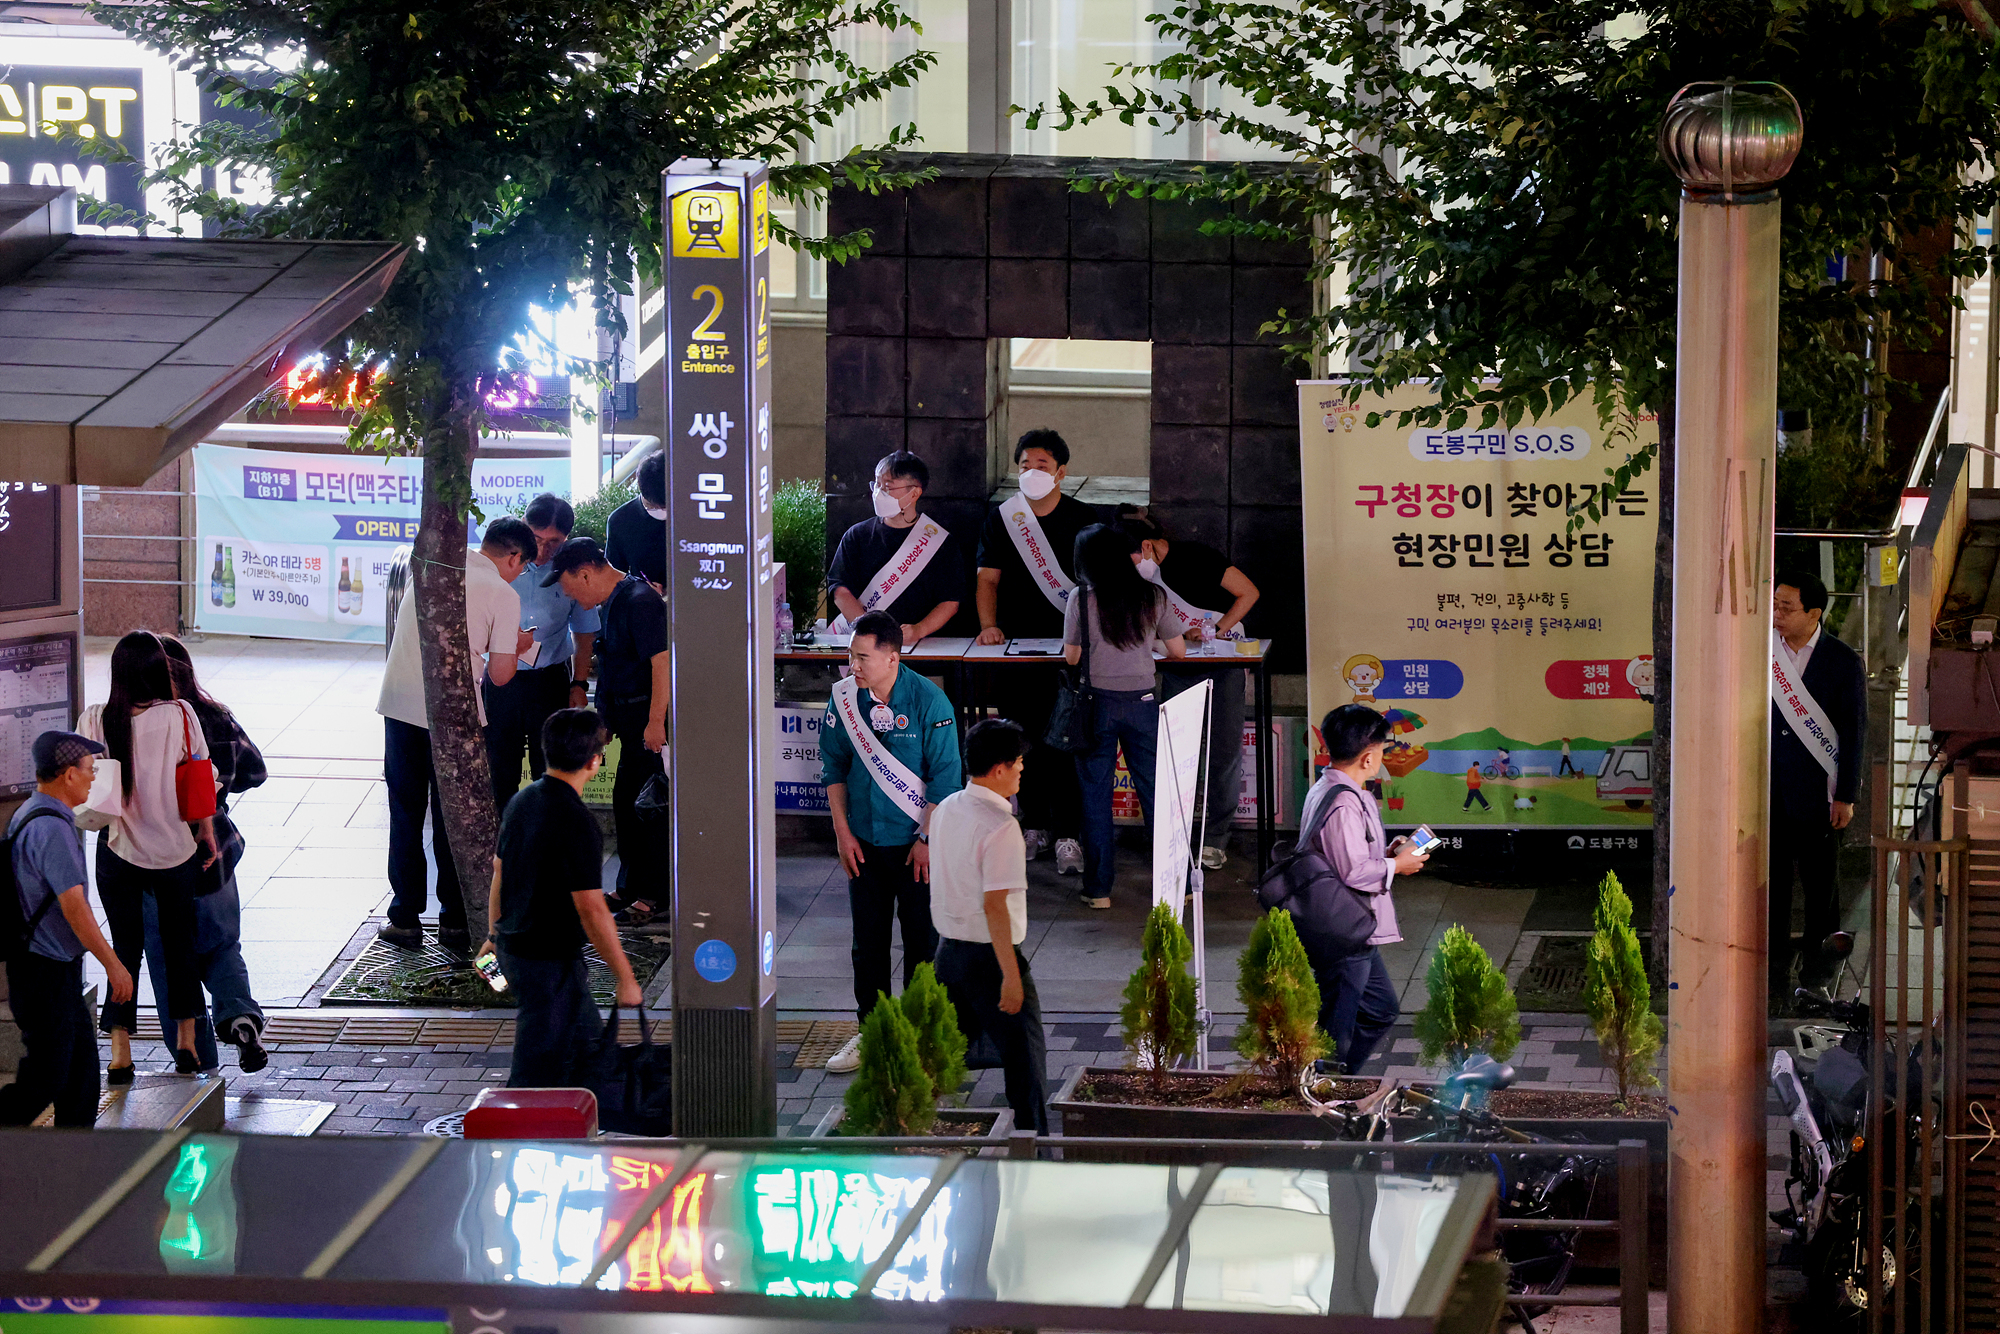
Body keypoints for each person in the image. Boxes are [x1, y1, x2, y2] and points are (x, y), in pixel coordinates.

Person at [375, 517, 534, 953]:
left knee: (405, 814)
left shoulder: (430, 570)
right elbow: (501, 676)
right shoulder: (503, 593)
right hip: (454, 718)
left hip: (399, 706)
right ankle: (455, 920)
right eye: (521, 567)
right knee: (451, 817)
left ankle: (405, 918)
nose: (518, 575)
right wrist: (515, 647)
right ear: (514, 556)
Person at [819, 609, 964, 1072]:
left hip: (916, 847)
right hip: (863, 842)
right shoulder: (843, 700)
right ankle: (872, 1032)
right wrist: (842, 833)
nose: (853, 666)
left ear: (892, 658)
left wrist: (924, 837)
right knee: (868, 945)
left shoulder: (928, 701)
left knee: (922, 943)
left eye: (862, 657)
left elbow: (946, 779)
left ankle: (920, 1037)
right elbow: (833, 768)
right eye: (850, 655)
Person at [80, 631, 219, 1075]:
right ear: (160, 672)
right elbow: (202, 777)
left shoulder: (96, 719)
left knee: (124, 950)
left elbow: (87, 785)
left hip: (118, 850)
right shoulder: (181, 714)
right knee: (181, 947)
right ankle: (186, 1045)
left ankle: (121, 1051)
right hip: (176, 851)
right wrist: (208, 834)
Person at [481, 708, 643, 1087]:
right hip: (548, 962)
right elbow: (591, 908)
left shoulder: (523, 801)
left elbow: (499, 874)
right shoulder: (576, 821)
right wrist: (625, 977)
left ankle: (584, 1122)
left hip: (518, 951)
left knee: (587, 1050)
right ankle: (511, 1136)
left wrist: (492, 937)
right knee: (536, 1069)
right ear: (594, 761)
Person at [975, 429, 1098, 874]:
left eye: (1041, 466)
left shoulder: (1085, 520)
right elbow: (987, 579)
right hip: (1017, 652)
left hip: (1073, 655)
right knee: (1021, 740)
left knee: (1067, 742)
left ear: (1061, 472)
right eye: (1024, 465)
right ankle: (1036, 826)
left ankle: (1068, 834)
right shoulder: (1003, 519)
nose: (1031, 473)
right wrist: (989, 626)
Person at [1115, 507, 1260, 869]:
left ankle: (1214, 838)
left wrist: (1217, 629)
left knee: (1223, 754)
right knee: (1175, 754)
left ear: (1147, 546)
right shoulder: (1138, 579)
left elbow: (1248, 593)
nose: (1130, 568)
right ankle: (1176, 835)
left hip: (1224, 664)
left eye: (1132, 558)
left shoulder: (1198, 556)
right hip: (1177, 668)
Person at [0, 732, 133, 1127]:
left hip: (50, 968)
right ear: (68, 775)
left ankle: (74, 1158)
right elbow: (74, 908)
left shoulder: (31, 811)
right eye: (90, 770)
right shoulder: (53, 829)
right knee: (45, 1080)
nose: (94, 778)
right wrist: (113, 964)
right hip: (44, 972)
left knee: (80, 1077)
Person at [930, 719, 1048, 1133]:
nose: (1021, 769)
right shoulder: (1001, 828)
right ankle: (1032, 1147)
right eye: (1017, 763)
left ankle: (911, 1132)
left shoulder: (946, 809)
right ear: (998, 768)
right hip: (989, 959)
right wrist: (1011, 977)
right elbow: (995, 906)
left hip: (947, 955)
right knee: (1025, 1062)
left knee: (939, 1060)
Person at [1296, 705, 1428, 1073]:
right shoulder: (1342, 801)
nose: (1383, 759)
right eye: (1383, 751)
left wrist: (1386, 854)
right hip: (1345, 930)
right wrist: (1397, 865)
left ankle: (1340, 1081)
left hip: (1354, 929)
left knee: (1380, 1010)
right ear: (1368, 757)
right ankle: (1324, 1089)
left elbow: (1345, 857)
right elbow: (1353, 871)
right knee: (1336, 1029)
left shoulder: (1337, 790)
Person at [158, 637, 268, 1074]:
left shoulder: (139, 724)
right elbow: (255, 770)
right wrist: (221, 786)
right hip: (215, 854)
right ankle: (240, 1018)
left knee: (170, 962)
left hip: (159, 857)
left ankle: (197, 1062)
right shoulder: (212, 715)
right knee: (222, 947)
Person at [547, 536, 670, 926]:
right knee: (626, 805)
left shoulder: (640, 601)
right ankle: (629, 885)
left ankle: (653, 895)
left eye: (567, 586)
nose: (567, 595)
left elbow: (661, 665)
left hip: (646, 722)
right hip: (624, 717)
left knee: (648, 808)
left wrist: (655, 721)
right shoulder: (616, 600)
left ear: (584, 574)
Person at [1063, 524, 1186, 910]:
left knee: (1095, 797)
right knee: (1156, 793)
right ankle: (1173, 885)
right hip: (1143, 703)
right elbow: (1178, 652)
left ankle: (1098, 890)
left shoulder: (1081, 598)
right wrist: (1145, 649)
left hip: (1096, 705)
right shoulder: (1153, 595)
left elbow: (1071, 657)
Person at [1771, 569, 1866, 1002]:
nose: (1776, 614)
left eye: (1786, 608)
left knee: (1820, 885)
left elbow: (1853, 731)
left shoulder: (1843, 661)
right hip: (1767, 791)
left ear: (1814, 612)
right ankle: (1771, 965)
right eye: (1774, 605)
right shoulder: (1760, 653)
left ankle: (1818, 968)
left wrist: (1847, 793)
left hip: (1820, 794)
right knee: (1769, 882)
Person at [488, 494, 599, 812]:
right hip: (499, 679)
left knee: (549, 769)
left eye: (555, 542)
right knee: (500, 769)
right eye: (537, 539)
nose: (544, 549)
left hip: (549, 680)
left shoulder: (573, 567)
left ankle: (543, 843)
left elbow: (584, 630)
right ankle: (504, 849)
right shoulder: (498, 559)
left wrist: (579, 685)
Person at [827, 451, 964, 646]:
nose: (878, 493)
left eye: (888, 487)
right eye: (877, 485)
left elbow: (950, 601)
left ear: (914, 493)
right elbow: (840, 589)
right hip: (865, 648)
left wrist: (919, 630)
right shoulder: (857, 536)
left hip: (921, 648)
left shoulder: (941, 543)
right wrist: (867, 630)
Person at [605, 452, 668, 591]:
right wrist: (638, 587)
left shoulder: (694, 513)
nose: (663, 512)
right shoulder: (620, 521)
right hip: (642, 605)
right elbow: (612, 576)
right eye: (653, 507)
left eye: (667, 507)